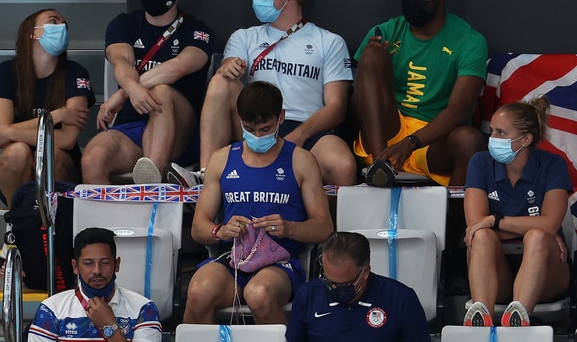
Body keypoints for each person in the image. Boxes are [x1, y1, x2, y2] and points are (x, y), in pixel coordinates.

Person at [167, 0, 356, 188]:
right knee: (221, 80)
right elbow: (228, 68)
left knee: (343, 165)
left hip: (305, 126)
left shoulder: (329, 41)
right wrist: (228, 66)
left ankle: (327, 224)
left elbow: (337, 107)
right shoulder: (245, 37)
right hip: (253, 124)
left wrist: (298, 136)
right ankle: (206, 176)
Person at [183, 81, 333, 324]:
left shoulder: (301, 160)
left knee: (258, 294)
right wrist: (220, 231)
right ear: (240, 119)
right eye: (249, 129)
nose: (257, 136)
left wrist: (290, 227)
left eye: (265, 128)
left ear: (281, 118)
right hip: (232, 259)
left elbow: (324, 227)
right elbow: (198, 229)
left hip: (279, 262)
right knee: (198, 291)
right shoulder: (221, 159)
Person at [352, 0, 488, 187]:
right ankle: (380, 167)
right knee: (373, 53)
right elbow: (357, 99)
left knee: (470, 141)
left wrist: (412, 142)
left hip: (432, 142)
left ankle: (456, 220)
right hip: (385, 134)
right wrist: (374, 66)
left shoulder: (469, 40)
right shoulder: (384, 32)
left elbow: (460, 109)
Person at [81, 0, 214, 184]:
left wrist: (123, 93)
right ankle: (110, 221)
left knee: (161, 91)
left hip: (180, 130)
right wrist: (132, 89)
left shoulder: (196, 30)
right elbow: (120, 61)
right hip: (133, 127)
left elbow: (179, 66)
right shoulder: (125, 24)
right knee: (93, 157)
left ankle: (150, 187)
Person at [463, 97, 572, 327]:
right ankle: (480, 318)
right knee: (482, 237)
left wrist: (495, 221)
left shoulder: (553, 164)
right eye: (491, 131)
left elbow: (550, 225)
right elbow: (474, 227)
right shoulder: (480, 163)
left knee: (538, 237)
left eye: (501, 133)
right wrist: (532, 224)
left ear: (526, 139)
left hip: (548, 275)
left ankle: (518, 320)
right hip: (497, 273)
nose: (492, 138)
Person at [0, 8, 95, 208]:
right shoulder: (5, 72)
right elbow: (2, 138)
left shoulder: (75, 72)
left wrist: (11, 130)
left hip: (62, 165)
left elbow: (67, 140)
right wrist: (57, 115)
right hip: (17, 168)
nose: (61, 27)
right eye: (53, 22)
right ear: (32, 33)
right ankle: (16, 221)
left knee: (51, 154)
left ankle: (55, 225)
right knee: (17, 152)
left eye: (64, 25)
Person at [286, 231, 430, 342]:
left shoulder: (401, 299)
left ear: (365, 271)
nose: (334, 288)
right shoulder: (307, 295)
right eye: (328, 281)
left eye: (343, 284)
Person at [28, 227, 162, 341]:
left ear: (117, 264)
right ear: (75, 266)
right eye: (88, 263)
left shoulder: (143, 309)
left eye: (105, 262)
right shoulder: (51, 309)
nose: (97, 270)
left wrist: (109, 326)